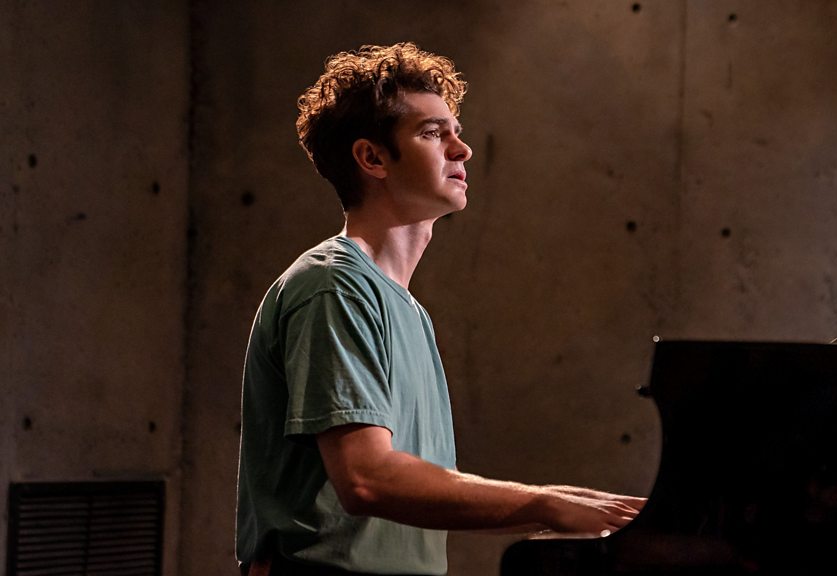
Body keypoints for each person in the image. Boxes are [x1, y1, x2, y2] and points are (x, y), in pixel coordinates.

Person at [235, 42, 645, 576]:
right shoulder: (334, 287)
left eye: (456, 130)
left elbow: (422, 495)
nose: (463, 150)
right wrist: (546, 504)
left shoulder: (406, 308)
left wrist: (587, 505)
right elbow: (367, 480)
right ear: (373, 158)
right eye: (433, 133)